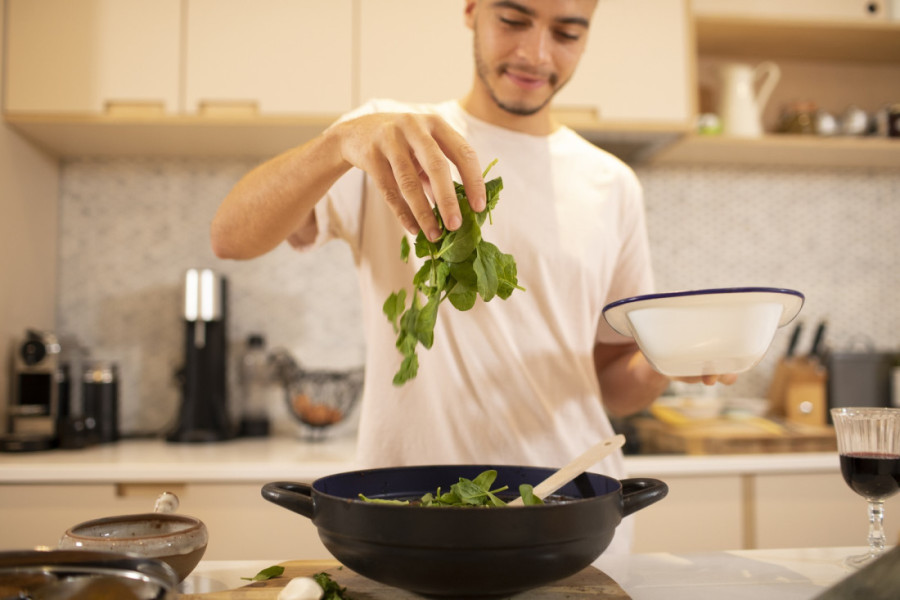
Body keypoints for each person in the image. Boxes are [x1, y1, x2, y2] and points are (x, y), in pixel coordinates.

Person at [211, 0, 734, 553]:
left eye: (567, 32)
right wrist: (337, 144)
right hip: (404, 512)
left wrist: (668, 360)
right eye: (513, 20)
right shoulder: (391, 140)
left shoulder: (612, 184)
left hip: (565, 509)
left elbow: (612, 382)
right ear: (472, 10)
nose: (535, 53)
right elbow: (231, 237)